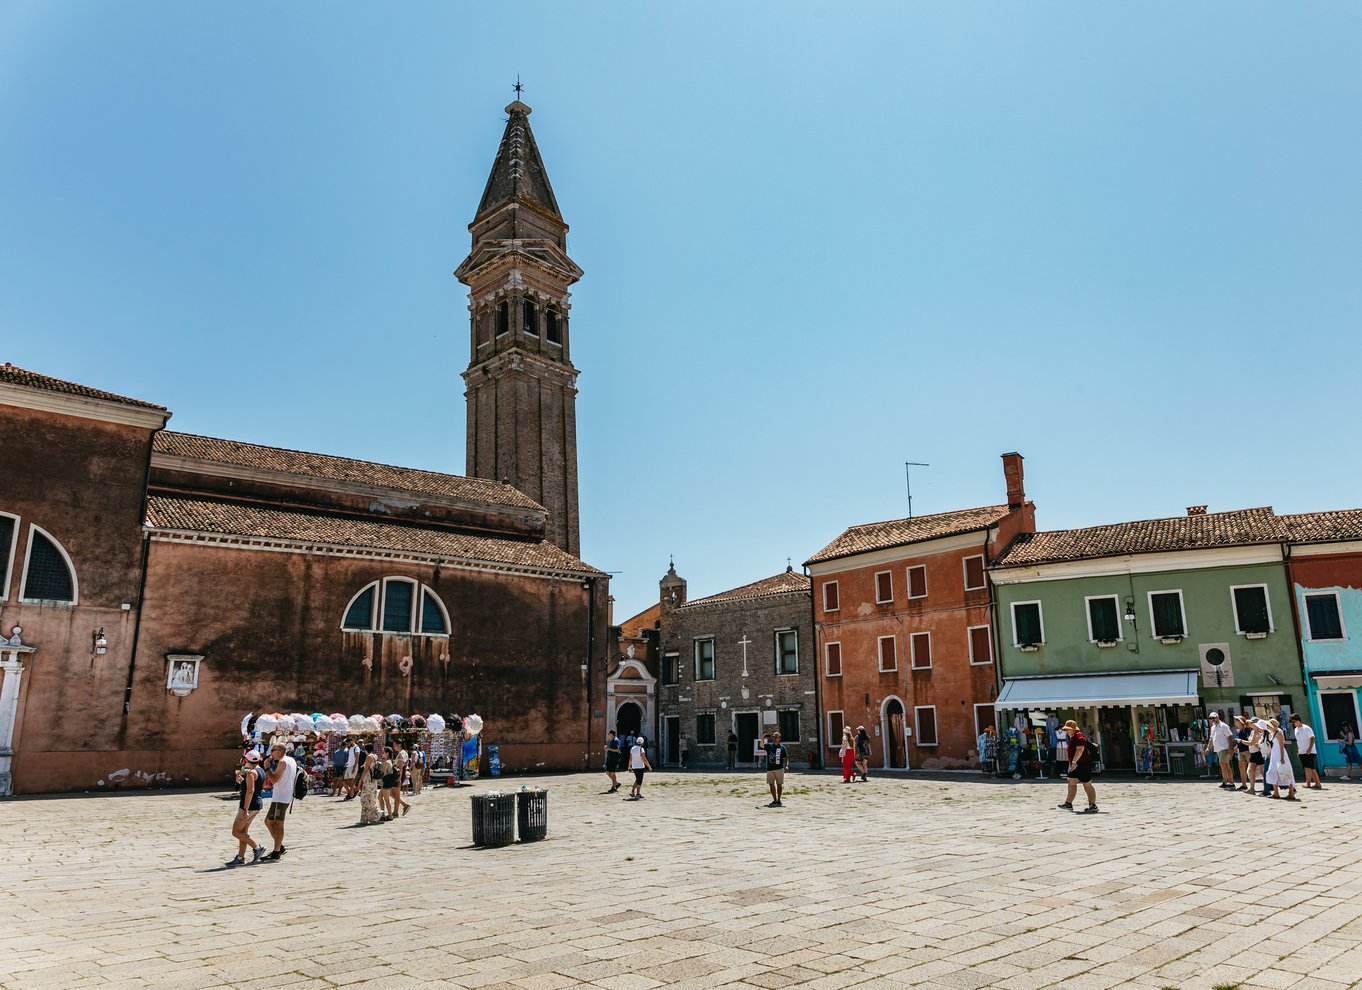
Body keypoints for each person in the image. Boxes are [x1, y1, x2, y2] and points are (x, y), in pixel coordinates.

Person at [227, 751, 266, 866]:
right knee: (243, 832)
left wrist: (245, 810)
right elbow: (250, 786)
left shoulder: (251, 773)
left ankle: (257, 847)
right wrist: (240, 780)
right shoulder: (260, 771)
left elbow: (250, 791)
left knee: (236, 832)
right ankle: (240, 857)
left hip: (248, 805)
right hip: (256, 804)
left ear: (248, 761)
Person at [262, 742, 296, 861]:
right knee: (268, 821)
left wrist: (266, 767)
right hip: (285, 795)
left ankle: (277, 851)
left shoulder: (282, 762)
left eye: (273, 750)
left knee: (278, 823)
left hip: (280, 797)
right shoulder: (291, 760)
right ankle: (279, 846)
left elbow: (274, 780)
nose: (271, 752)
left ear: (280, 751)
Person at [1057, 720, 1098, 814]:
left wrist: (1074, 761)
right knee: (1071, 781)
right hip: (1076, 765)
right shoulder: (1073, 737)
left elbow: (1080, 749)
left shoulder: (1079, 736)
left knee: (1087, 784)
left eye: (1068, 729)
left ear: (1073, 729)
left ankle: (1093, 805)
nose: (1067, 731)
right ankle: (1068, 803)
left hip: (1083, 764)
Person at [1266, 718, 1298, 801]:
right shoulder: (1272, 734)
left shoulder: (1279, 734)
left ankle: (1291, 792)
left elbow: (1281, 747)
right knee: (1271, 772)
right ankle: (1276, 792)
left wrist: (1282, 758)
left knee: (1285, 773)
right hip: (1274, 755)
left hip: (1280, 754)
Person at [1207, 711, 1237, 789]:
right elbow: (1211, 738)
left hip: (1224, 748)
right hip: (1218, 749)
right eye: (1210, 718)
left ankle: (1230, 782)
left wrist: (1230, 748)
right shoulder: (1213, 727)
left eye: (1213, 718)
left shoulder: (1223, 726)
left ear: (1217, 717)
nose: (1212, 720)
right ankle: (1226, 781)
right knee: (1224, 765)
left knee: (1223, 764)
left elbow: (1230, 736)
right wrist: (1208, 747)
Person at [1290, 714, 1321, 790]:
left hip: (1309, 751)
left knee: (1307, 768)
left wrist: (1310, 748)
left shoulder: (1306, 728)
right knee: (1311, 768)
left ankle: (1308, 783)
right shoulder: (1296, 730)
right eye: (1292, 723)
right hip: (1302, 751)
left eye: (1294, 722)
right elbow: (1299, 741)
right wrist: (1299, 750)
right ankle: (1318, 783)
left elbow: (1312, 738)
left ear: (1298, 720)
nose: (1293, 724)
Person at [761, 731, 789, 807]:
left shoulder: (782, 747)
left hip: (779, 769)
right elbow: (761, 745)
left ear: (779, 738)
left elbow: (786, 758)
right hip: (770, 769)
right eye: (773, 737)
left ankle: (779, 799)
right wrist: (763, 738)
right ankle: (775, 799)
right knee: (771, 784)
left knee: (779, 785)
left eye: (776, 737)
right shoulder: (769, 746)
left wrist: (786, 766)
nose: (775, 738)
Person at [358, 745, 382, 825]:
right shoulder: (375, 756)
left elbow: (365, 770)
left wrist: (360, 780)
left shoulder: (369, 757)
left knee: (364, 798)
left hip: (368, 780)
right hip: (373, 780)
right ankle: (368, 818)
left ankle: (376, 812)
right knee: (370, 798)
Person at [627, 734, 651, 800]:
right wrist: (649, 766)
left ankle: (632, 791)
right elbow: (644, 759)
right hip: (640, 766)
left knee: (637, 779)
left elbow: (630, 758)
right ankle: (638, 794)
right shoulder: (641, 749)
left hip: (634, 766)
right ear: (642, 743)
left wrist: (629, 766)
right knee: (639, 780)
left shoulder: (632, 748)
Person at [1233, 716, 1253, 792]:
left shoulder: (1246, 730)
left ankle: (1252, 785)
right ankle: (1244, 785)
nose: (1235, 721)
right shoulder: (1238, 731)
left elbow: (1250, 739)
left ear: (1240, 721)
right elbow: (1238, 742)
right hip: (1241, 751)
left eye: (1236, 720)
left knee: (1250, 769)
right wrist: (1234, 749)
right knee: (1242, 768)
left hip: (1247, 751)